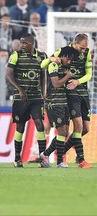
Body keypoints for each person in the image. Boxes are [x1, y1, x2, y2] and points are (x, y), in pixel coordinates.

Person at [40, 33, 93, 168]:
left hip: (83, 92)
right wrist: (52, 58)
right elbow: (43, 65)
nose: (83, 50)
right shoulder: (63, 52)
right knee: (76, 127)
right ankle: (81, 160)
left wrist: (78, 81)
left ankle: (49, 152)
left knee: (85, 129)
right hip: (70, 93)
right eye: (81, 48)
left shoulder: (86, 53)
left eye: (85, 48)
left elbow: (89, 75)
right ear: (74, 44)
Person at [5, 33, 48, 168]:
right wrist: (20, 89)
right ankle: (17, 158)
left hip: (36, 97)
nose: (22, 45)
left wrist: (44, 92)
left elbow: (43, 76)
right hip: (20, 98)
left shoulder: (42, 56)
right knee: (20, 127)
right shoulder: (16, 55)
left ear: (31, 43)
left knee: (39, 125)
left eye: (24, 43)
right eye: (21, 43)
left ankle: (42, 158)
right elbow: (8, 74)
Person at [40, 46, 77, 168]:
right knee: (61, 131)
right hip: (54, 103)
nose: (70, 62)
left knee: (65, 132)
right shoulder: (53, 65)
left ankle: (45, 155)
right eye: (69, 59)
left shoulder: (66, 67)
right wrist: (67, 76)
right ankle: (59, 161)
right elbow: (55, 84)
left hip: (63, 102)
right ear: (64, 56)